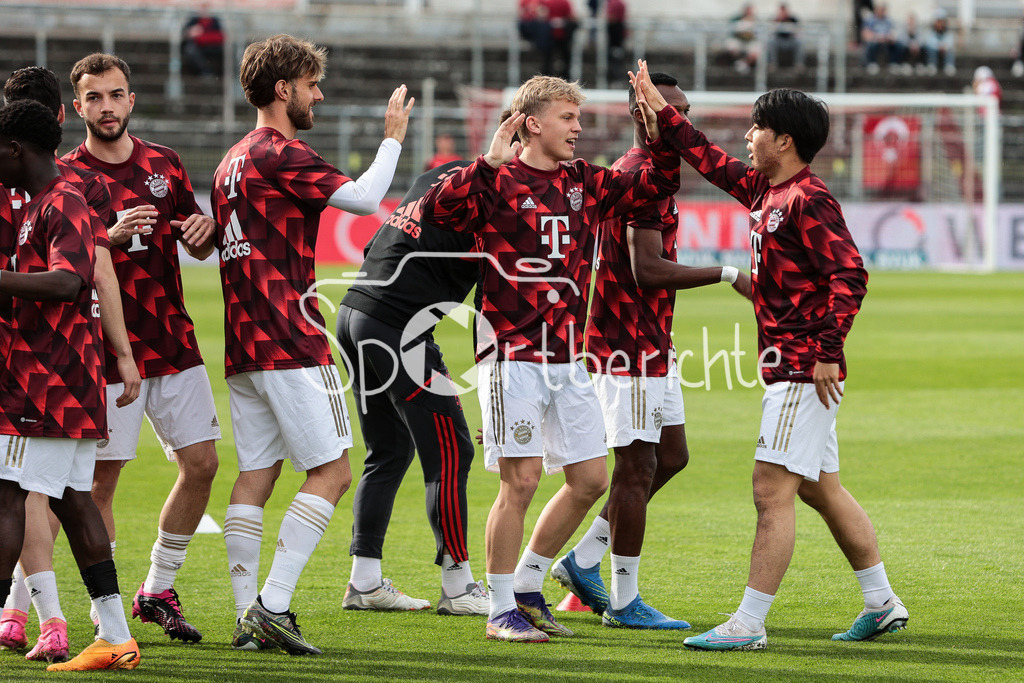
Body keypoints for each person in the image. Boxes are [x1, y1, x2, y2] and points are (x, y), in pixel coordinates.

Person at [630, 61, 909, 651]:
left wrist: (828, 353)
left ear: (783, 139)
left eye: (756, 128)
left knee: (770, 489)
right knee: (819, 487)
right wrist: (660, 109)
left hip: (803, 368)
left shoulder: (809, 199)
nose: (747, 137)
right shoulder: (765, 188)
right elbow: (703, 154)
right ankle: (882, 602)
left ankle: (749, 622)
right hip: (791, 363)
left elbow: (850, 274)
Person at [420, 73, 683, 643]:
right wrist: (488, 162)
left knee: (590, 478)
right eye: (568, 118)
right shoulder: (493, 181)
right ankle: (498, 611)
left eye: (578, 118)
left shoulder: (584, 181)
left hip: (568, 358)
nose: (578, 128)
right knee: (521, 481)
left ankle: (529, 584)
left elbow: (656, 184)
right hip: (509, 354)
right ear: (532, 123)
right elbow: (436, 211)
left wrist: (662, 129)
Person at [210, 34, 413, 655]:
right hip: (291, 337)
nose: (317, 94)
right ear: (283, 89)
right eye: (311, 84)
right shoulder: (278, 150)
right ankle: (271, 606)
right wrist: (393, 136)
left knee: (256, 475)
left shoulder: (231, 160)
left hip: (244, 342)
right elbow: (364, 199)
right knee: (332, 471)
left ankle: (249, 616)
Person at [553, 71, 751, 631]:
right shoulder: (642, 175)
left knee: (671, 457)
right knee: (635, 470)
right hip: (626, 344)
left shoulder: (650, 172)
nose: (682, 121)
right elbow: (646, 269)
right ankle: (622, 601)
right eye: (673, 110)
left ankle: (583, 560)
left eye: (686, 112)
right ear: (644, 114)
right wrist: (728, 273)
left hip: (649, 341)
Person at [63, 52, 221, 643]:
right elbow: (62, 264)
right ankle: (101, 607)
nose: (107, 107)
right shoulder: (67, 176)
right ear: (76, 108)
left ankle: (157, 588)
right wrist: (109, 235)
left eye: (116, 95)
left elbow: (199, 240)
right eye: (95, 98)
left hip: (174, 340)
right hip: (107, 349)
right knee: (102, 482)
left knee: (202, 465)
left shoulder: (165, 163)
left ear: (131, 100)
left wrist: (204, 233)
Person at [0, 65, 140, 664]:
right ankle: (114, 634)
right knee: (72, 499)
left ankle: (105, 632)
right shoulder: (42, 202)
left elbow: (67, 282)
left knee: (6, 494)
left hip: (49, 383)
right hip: (55, 381)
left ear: (14, 149)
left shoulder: (65, 201)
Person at [336, 160, 488, 617]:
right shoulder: (494, 196)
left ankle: (364, 582)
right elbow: (491, 304)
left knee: (388, 451)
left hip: (354, 313)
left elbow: (374, 241)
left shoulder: (445, 172)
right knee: (452, 452)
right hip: (398, 329)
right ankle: (459, 586)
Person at [181, 5, 225, 77]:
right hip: (199, 48)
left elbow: (221, 36)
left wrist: (201, 36)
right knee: (190, 51)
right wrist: (190, 32)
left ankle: (218, 74)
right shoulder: (194, 20)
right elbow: (185, 33)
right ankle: (206, 72)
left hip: (214, 47)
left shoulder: (214, 21)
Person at [861, 4, 898, 74]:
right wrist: (877, 37)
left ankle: (893, 63)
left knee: (898, 45)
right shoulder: (870, 20)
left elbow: (893, 33)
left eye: (883, 10)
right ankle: (871, 63)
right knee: (872, 44)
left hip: (886, 41)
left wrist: (887, 37)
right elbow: (865, 34)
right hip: (875, 40)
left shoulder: (888, 21)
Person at [724, 4, 760, 75]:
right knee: (731, 45)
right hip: (739, 40)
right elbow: (732, 32)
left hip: (749, 42)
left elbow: (757, 35)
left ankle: (743, 63)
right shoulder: (737, 19)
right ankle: (738, 62)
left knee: (757, 50)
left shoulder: (755, 20)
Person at [768, 4, 804, 71]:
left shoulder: (793, 19)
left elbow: (798, 30)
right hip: (779, 41)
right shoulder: (776, 19)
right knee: (771, 42)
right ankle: (772, 63)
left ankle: (799, 64)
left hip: (790, 40)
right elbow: (771, 31)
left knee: (799, 42)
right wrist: (779, 21)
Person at [924, 9, 955, 76]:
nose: (940, 24)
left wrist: (944, 47)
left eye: (941, 22)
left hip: (944, 51)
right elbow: (929, 42)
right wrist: (939, 46)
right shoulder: (930, 32)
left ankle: (949, 66)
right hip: (934, 51)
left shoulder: (948, 32)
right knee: (930, 49)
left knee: (950, 51)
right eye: (938, 21)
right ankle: (932, 65)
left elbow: (950, 43)